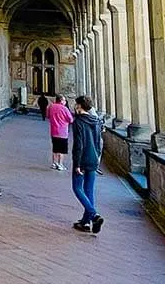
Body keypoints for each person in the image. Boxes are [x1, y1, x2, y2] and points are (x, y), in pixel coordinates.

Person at [71, 94, 105, 234]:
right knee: (89, 190)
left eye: (76, 104)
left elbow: (79, 144)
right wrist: (97, 157)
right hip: (93, 158)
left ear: (79, 105)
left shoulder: (78, 122)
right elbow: (98, 142)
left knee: (77, 188)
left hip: (82, 159)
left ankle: (94, 215)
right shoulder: (96, 120)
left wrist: (77, 164)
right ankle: (85, 222)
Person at [47, 94, 73, 170]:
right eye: (64, 100)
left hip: (53, 131)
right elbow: (71, 120)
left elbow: (48, 116)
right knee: (61, 150)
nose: (65, 101)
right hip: (62, 132)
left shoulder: (51, 107)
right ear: (61, 101)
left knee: (55, 148)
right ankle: (60, 164)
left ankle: (54, 163)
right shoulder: (64, 109)